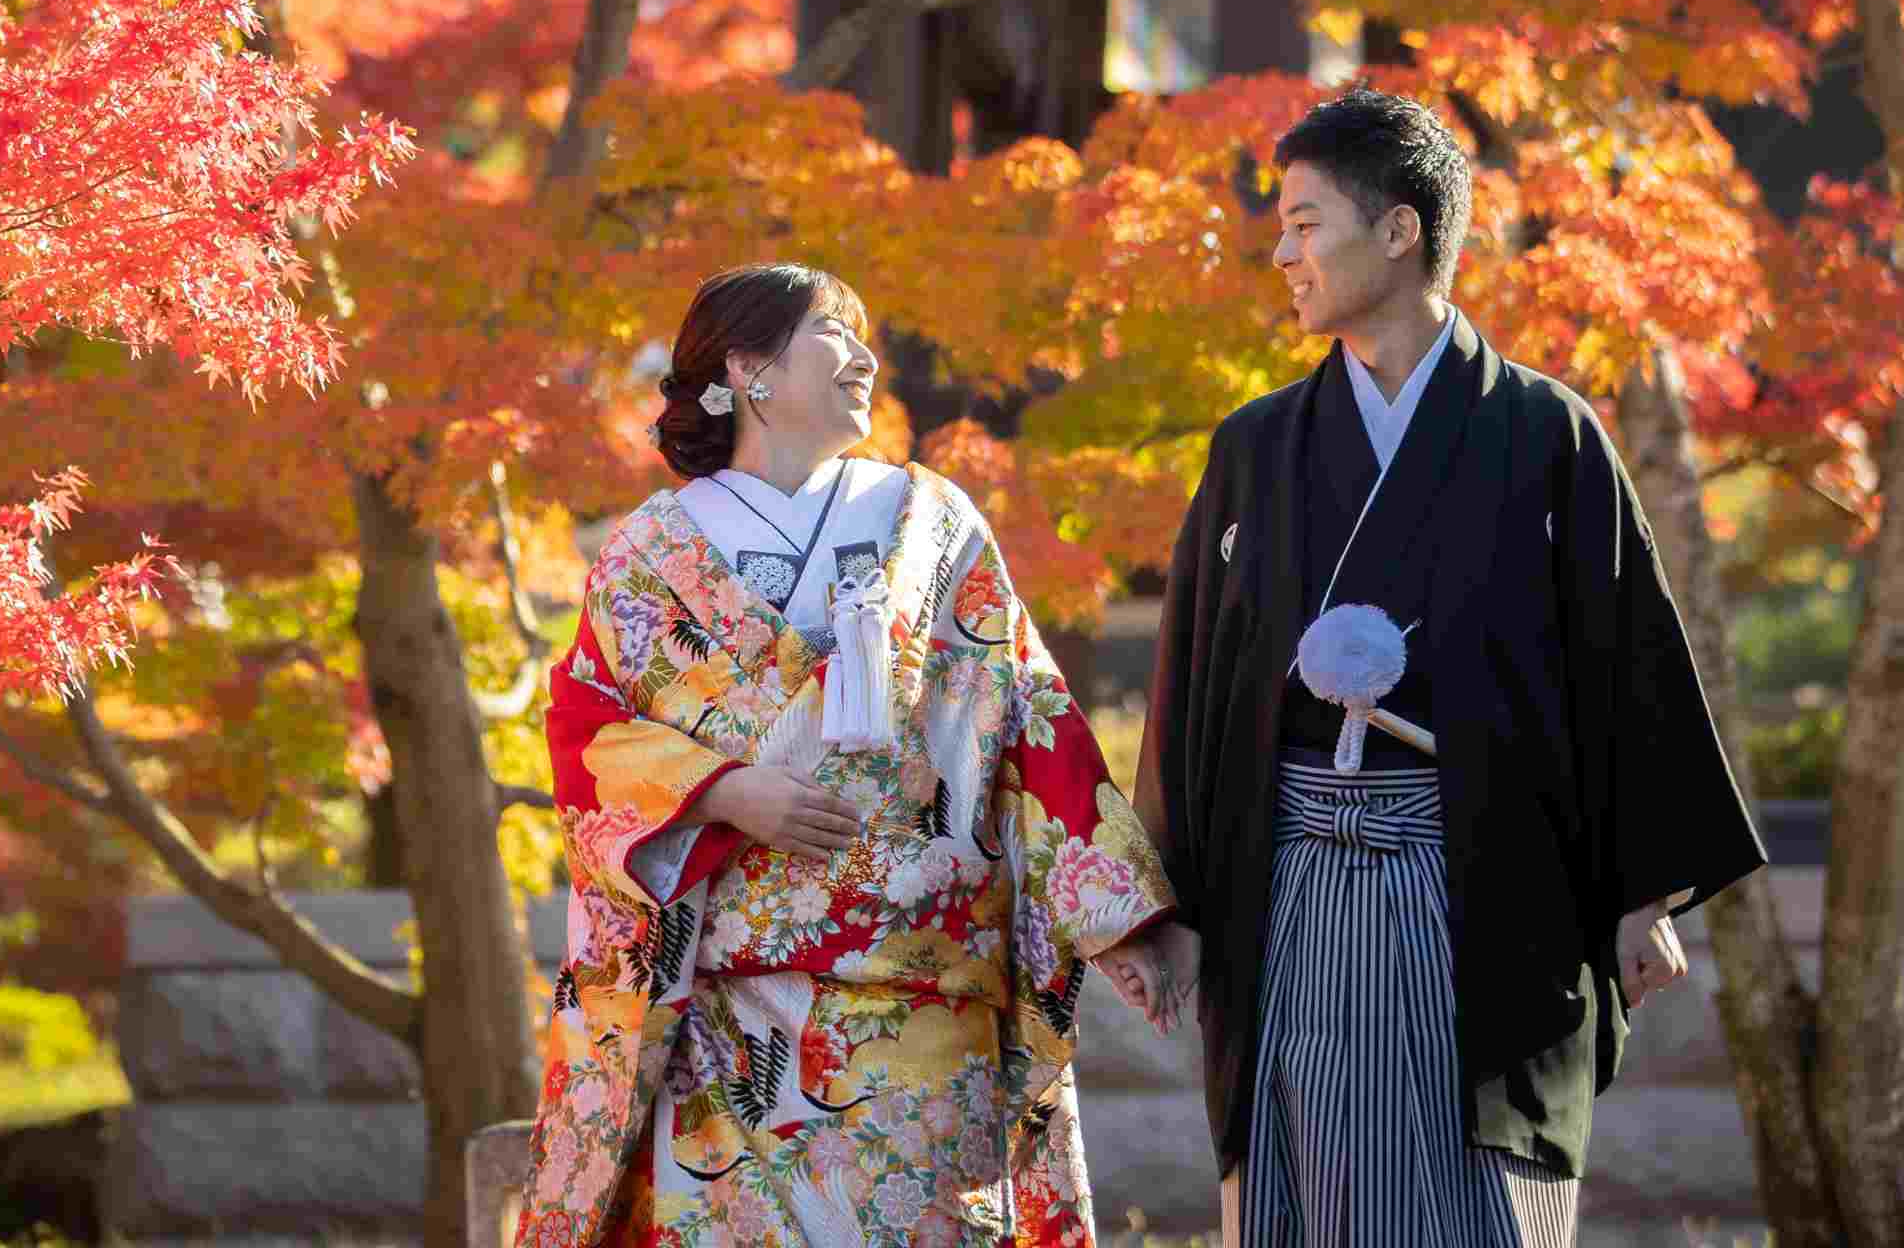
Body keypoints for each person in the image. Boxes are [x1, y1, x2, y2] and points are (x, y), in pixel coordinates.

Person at [1136, 87, 1766, 1245]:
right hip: (1292, 884)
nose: (1282, 255)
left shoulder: (1547, 434)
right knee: (1303, 1182)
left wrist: (1641, 896)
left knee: (1478, 1193)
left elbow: (1626, 668)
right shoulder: (1256, 448)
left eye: (1305, 224)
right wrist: (1163, 905)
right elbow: (1195, 690)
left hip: (1486, 882)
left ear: (1400, 230)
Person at [522, 263, 1193, 1248]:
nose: (867, 359)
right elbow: (585, 736)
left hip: (920, 1009)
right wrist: (722, 792)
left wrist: (1117, 918)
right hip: (726, 1019)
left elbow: (1029, 718)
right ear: (747, 367)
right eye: (836, 333)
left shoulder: (933, 524)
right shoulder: (650, 551)